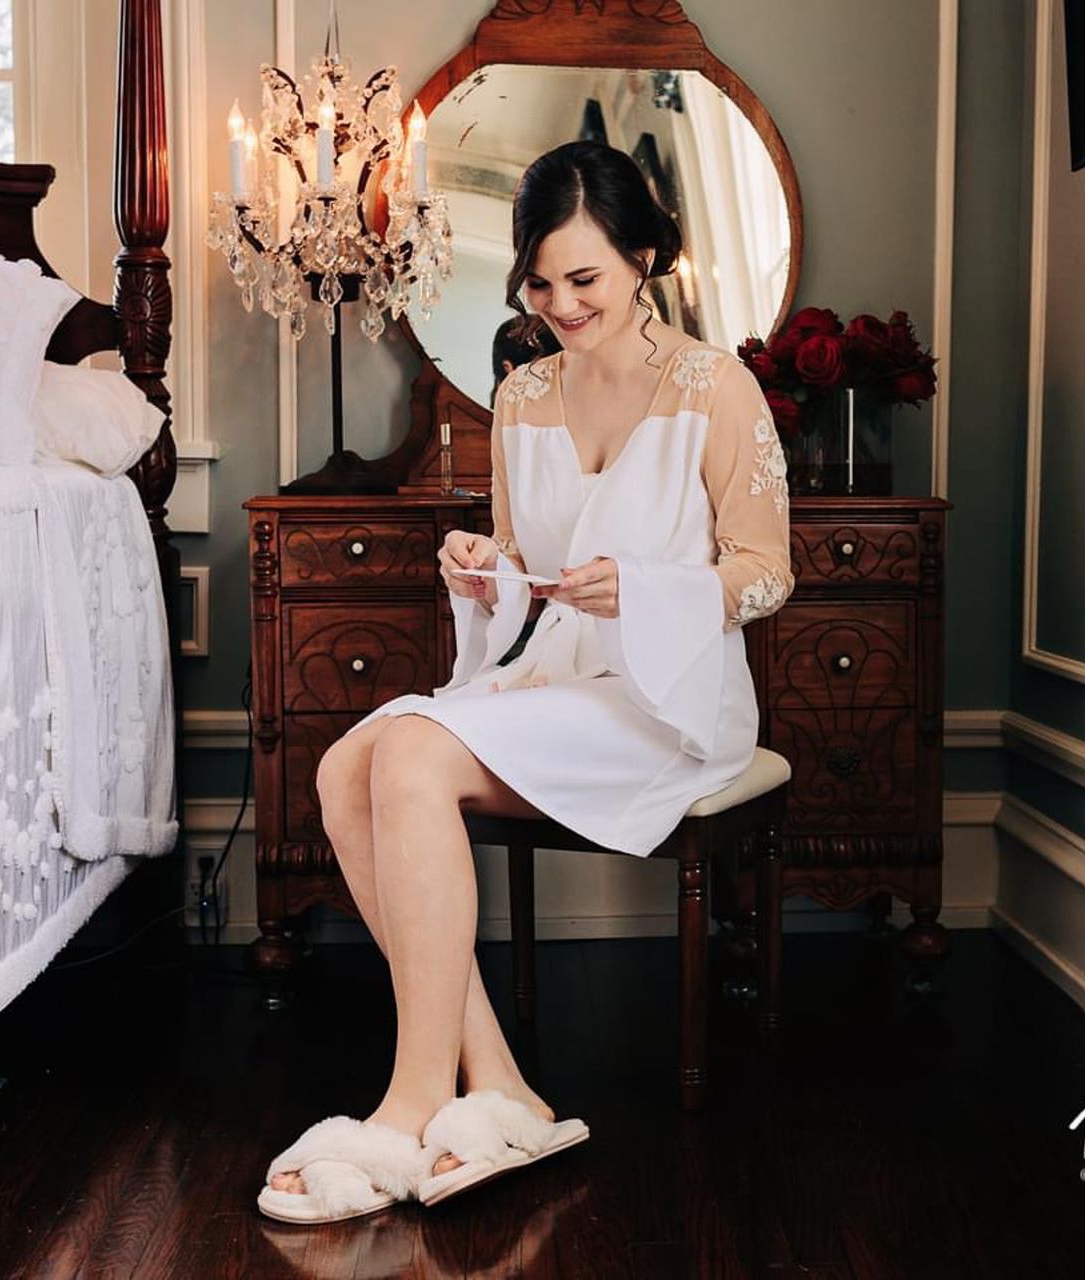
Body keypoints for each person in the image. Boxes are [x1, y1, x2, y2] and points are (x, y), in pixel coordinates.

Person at [259, 139, 794, 1223]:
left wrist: (645, 589)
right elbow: (523, 565)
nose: (560, 304)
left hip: (669, 697)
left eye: (584, 278)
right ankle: (499, 1085)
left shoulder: (714, 387)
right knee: (342, 768)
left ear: (643, 257)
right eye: (539, 283)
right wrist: (480, 562)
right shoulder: (523, 395)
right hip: (560, 676)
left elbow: (766, 572)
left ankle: (412, 1105)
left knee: (405, 751)